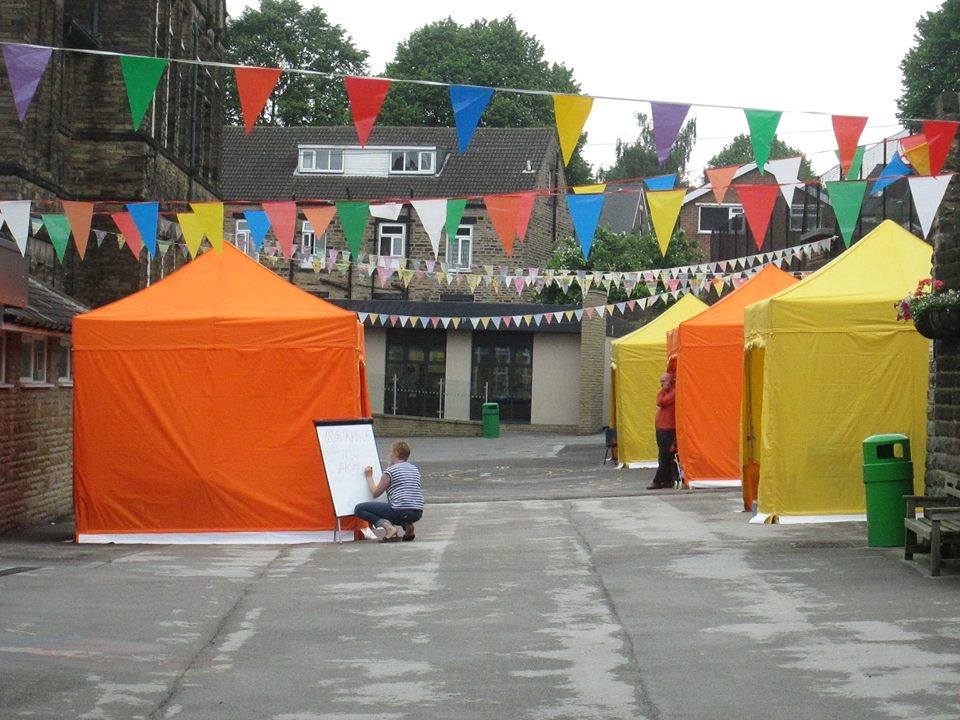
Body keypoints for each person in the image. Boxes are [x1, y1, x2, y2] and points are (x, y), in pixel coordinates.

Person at [355, 441, 424, 542]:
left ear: (395, 453)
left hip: (400, 510)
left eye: (391, 452)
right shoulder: (414, 469)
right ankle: (408, 525)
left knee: (359, 509)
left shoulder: (390, 472)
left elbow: (375, 493)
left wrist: (369, 476)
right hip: (417, 512)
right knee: (395, 508)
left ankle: (389, 529)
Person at [649, 372, 678, 490]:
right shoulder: (665, 392)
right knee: (664, 455)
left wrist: (663, 391)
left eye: (663, 381)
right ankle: (667, 480)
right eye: (661, 381)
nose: (661, 384)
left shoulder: (674, 392)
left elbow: (660, 402)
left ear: (670, 381)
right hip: (662, 429)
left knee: (664, 456)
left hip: (668, 429)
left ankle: (658, 480)